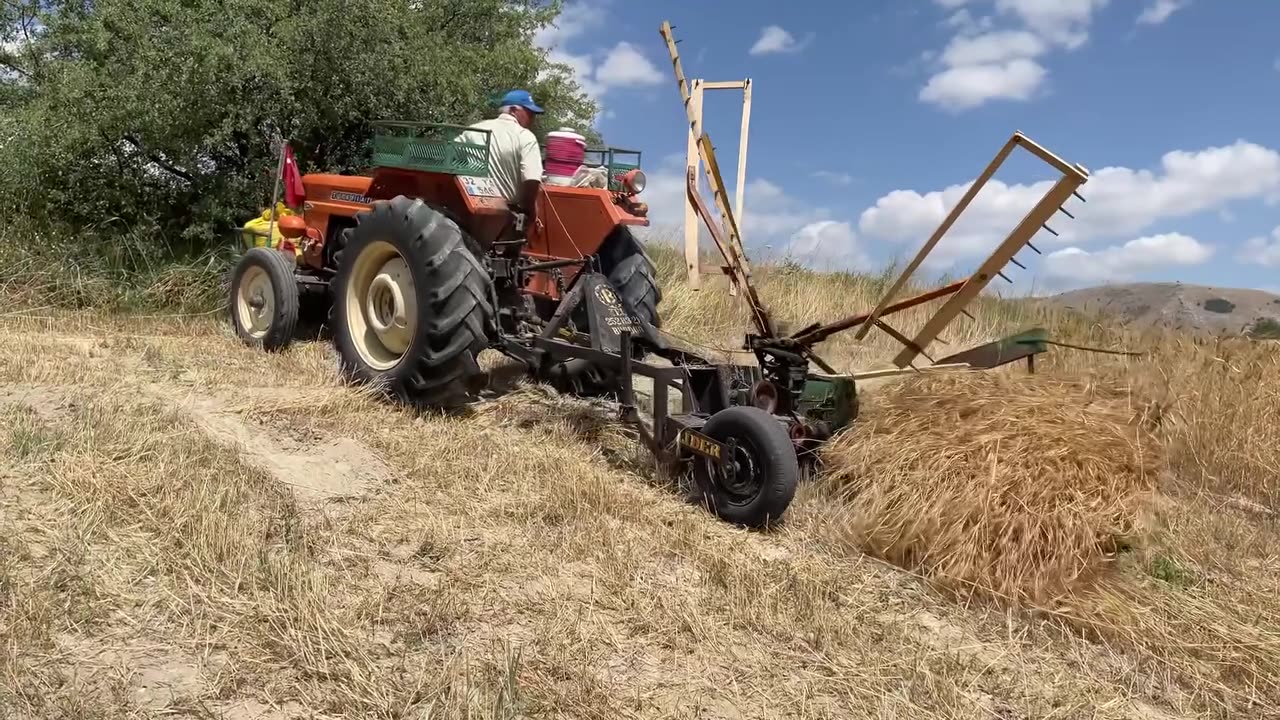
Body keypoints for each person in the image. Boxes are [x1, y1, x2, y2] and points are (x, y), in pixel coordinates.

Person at [457, 89, 545, 230]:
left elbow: (452, 160)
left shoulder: (473, 130)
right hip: (504, 217)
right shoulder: (525, 137)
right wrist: (531, 211)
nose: (532, 118)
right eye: (529, 112)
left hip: (467, 208)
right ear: (513, 110)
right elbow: (532, 180)